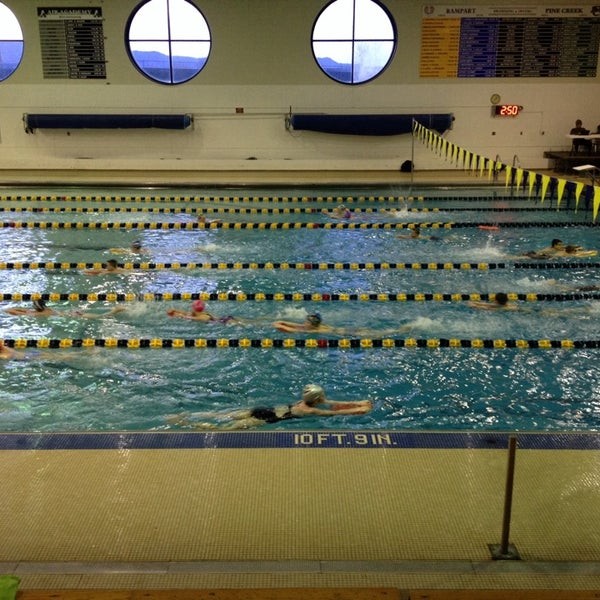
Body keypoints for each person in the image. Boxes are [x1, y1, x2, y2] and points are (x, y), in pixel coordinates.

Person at [167, 383, 372, 430]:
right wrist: (358, 410)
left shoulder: (304, 402)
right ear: (318, 399)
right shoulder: (311, 409)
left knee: (223, 415)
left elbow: (332, 403)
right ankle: (185, 423)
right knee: (223, 430)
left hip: (264, 409)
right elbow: (330, 413)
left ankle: (190, 414)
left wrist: (360, 403)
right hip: (266, 419)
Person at [5, 299, 126, 318]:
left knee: (101, 317)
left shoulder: (38, 314)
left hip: (70, 315)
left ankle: (115, 310)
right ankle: (117, 309)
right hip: (69, 312)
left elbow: (17, 312)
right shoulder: (44, 310)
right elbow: (19, 309)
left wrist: (13, 310)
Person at [167, 299, 240, 324]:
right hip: (225, 319)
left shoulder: (202, 317)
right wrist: (175, 310)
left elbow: (186, 317)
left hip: (226, 322)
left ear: (193, 308)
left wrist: (176, 315)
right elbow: (186, 313)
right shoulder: (199, 313)